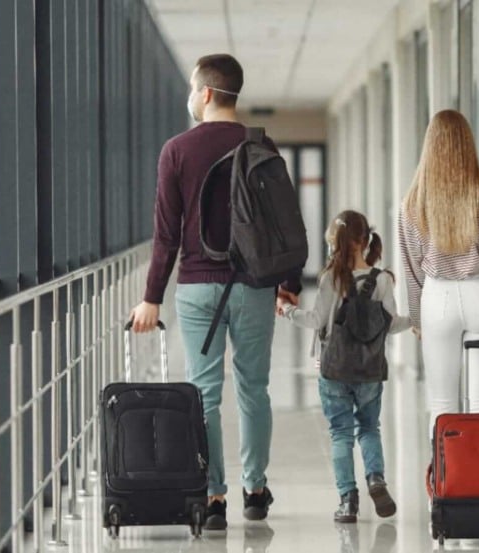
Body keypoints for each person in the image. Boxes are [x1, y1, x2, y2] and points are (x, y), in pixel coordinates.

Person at [129, 53, 301, 531]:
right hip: (254, 286)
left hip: (198, 287)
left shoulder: (176, 150)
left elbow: (165, 235)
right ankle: (255, 489)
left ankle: (213, 497)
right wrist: (288, 283)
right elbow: (282, 221)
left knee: (204, 394)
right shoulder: (261, 144)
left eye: (191, 87)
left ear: (204, 93)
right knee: (254, 390)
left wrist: (152, 297)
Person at [279, 210, 411, 523]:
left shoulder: (331, 278)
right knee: (369, 428)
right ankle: (376, 479)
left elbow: (315, 321)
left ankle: (347, 500)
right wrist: (417, 322)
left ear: (334, 243)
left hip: (334, 370)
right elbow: (390, 325)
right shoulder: (382, 280)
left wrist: (285, 310)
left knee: (340, 433)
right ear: (365, 241)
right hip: (369, 372)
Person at [398, 109, 479, 432]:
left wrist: (418, 319)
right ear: (468, 143)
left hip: (437, 299)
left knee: (442, 404)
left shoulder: (412, 202)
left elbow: (411, 268)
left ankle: (445, 478)